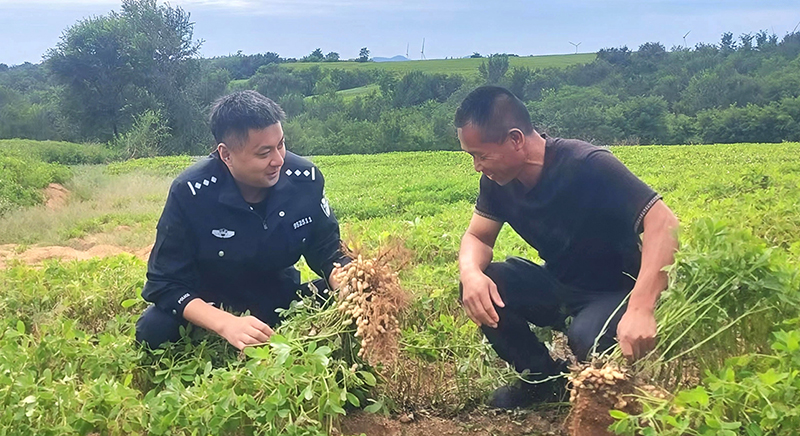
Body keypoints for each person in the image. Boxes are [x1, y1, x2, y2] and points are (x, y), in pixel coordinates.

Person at [455, 86, 679, 409]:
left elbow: (663, 222)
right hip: (559, 282)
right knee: (483, 283)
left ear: (516, 140)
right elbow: (477, 238)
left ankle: (617, 396)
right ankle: (543, 380)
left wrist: (641, 309)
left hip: (614, 291)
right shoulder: (496, 183)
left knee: (587, 337)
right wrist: (471, 273)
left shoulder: (587, 165)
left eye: (481, 154)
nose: (477, 166)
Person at [135, 90, 348, 350]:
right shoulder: (191, 193)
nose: (278, 160)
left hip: (280, 297)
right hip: (212, 302)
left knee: (356, 296)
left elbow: (327, 248)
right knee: (154, 329)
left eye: (281, 144)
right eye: (264, 153)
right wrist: (226, 323)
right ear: (226, 155)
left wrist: (345, 279)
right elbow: (164, 283)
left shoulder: (305, 179)